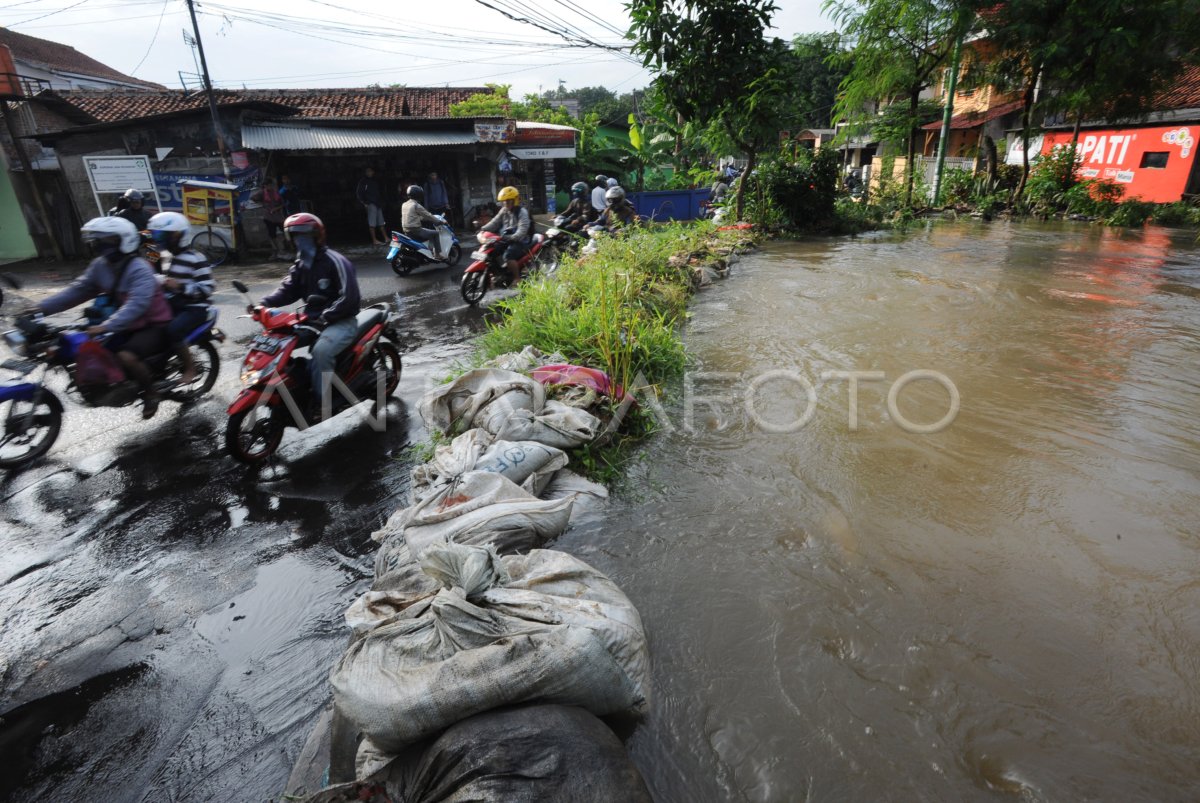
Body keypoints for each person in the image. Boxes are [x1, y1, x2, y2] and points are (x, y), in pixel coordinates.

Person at [35, 216, 172, 418]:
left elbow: (137, 305)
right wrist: (39, 309)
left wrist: (106, 326)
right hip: (123, 323)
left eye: (105, 240)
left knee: (126, 356)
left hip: (152, 323)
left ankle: (151, 393)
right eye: (97, 241)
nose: (99, 245)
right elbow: (78, 290)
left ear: (122, 240)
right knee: (92, 348)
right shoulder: (101, 265)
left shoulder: (139, 268)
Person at [255, 212, 362, 420]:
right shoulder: (301, 264)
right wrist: (264, 304)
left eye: (304, 236)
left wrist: (325, 315)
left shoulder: (336, 261)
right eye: (294, 237)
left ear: (317, 236)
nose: (299, 241)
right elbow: (287, 290)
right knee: (277, 343)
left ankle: (324, 402)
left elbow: (350, 297)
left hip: (341, 321)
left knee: (321, 352)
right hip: (311, 322)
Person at [147, 211, 214, 386]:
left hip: (195, 307)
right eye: (156, 235)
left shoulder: (196, 258)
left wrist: (180, 286)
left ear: (178, 235)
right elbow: (147, 265)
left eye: (162, 235)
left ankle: (190, 368)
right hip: (174, 304)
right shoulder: (166, 258)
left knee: (173, 330)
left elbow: (208, 288)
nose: (158, 239)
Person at [479, 185, 532, 287]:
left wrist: (513, 237)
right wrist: (482, 229)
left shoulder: (522, 212)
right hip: (506, 238)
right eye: (504, 201)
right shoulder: (504, 210)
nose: (505, 203)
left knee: (508, 255)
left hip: (520, 240)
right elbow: (494, 222)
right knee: (491, 251)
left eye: (508, 201)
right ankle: (497, 274)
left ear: (514, 200)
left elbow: (523, 230)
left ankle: (517, 278)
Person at [402, 184, 443, 258]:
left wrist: (423, 218)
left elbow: (413, 216)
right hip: (416, 230)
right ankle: (437, 255)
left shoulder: (404, 204)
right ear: (418, 195)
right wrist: (439, 221)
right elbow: (428, 215)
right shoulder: (416, 205)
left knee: (428, 232)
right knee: (435, 233)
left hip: (406, 230)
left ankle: (428, 250)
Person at [258, 177, 288, 259]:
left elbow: (283, 204)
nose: (269, 187)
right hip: (268, 217)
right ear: (265, 186)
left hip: (278, 217)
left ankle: (283, 250)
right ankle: (275, 252)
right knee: (272, 235)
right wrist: (264, 206)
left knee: (285, 232)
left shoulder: (276, 193)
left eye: (270, 185)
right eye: (267, 186)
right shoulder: (262, 193)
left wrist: (276, 209)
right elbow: (253, 198)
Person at [356, 167, 386, 245]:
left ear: (373, 172)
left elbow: (380, 191)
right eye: (367, 171)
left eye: (370, 171)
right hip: (370, 203)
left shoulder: (375, 180)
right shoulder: (363, 181)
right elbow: (359, 193)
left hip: (378, 203)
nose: (369, 173)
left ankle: (386, 238)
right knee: (372, 223)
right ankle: (374, 240)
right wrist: (364, 203)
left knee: (381, 222)